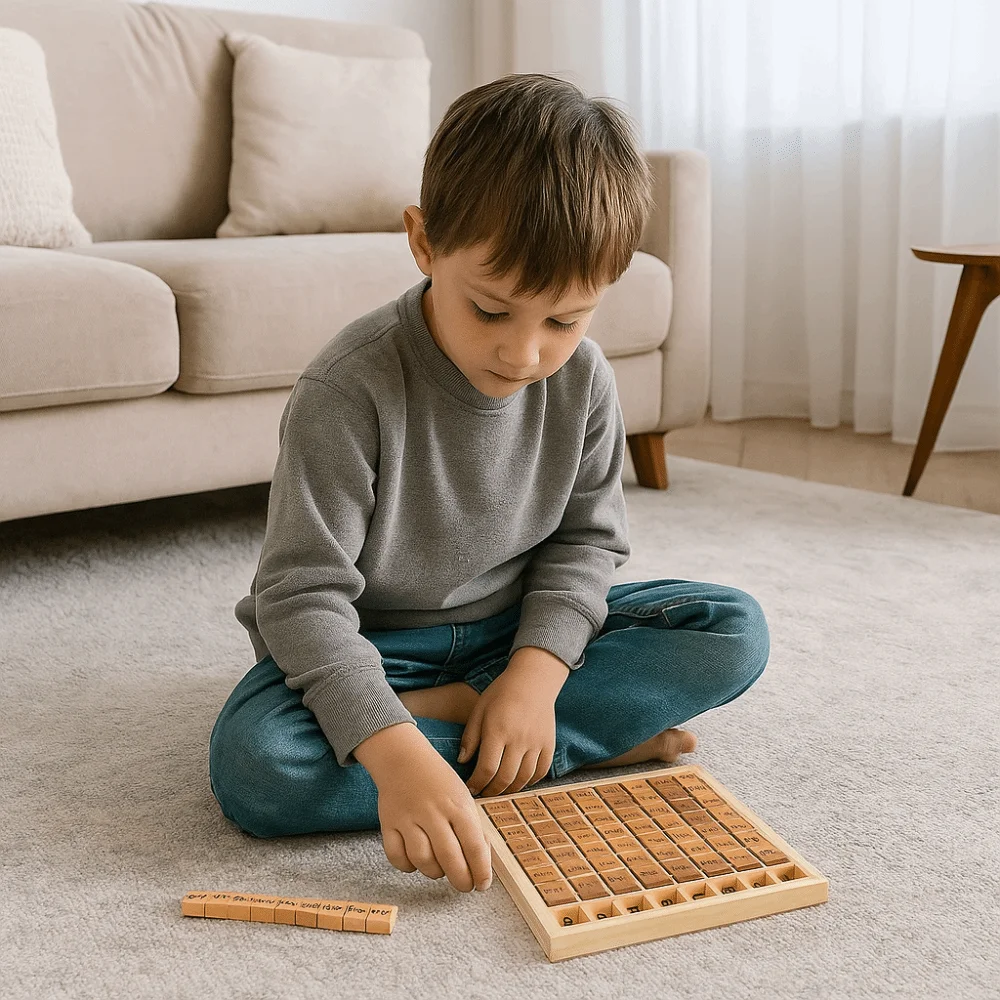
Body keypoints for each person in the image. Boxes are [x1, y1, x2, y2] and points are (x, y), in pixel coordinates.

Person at [209, 73, 770, 898]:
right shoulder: (348, 390)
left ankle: (516, 728)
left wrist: (535, 677)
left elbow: (586, 543)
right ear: (424, 242)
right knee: (260, 766)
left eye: (566, 320)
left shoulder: (583, 379)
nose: (526, 353)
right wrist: (394, 755)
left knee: (731, 627)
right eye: (493, 310)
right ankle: (538, 741)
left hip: (517, 630)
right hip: (382, 651)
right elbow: (299, 599)